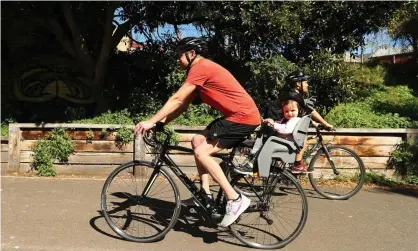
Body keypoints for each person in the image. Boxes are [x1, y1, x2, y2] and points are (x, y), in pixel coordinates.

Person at [134, 37, 261, 227]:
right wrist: (162, 123)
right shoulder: (201, 71)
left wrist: (151, 122)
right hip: (237, 115)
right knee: (197, 140)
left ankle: (235, 199)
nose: (178, 60)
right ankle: (205, 194)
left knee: (202, 152)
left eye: (180, 56)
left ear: (191, 53)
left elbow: (176, 99)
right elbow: (183, 105)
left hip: (243, 117)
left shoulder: (200, 68)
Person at [242, 70, 333, 174]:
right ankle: (251, 165)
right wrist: (326, 124)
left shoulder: (295, 96)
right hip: (274, 122)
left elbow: (303, 115)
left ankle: (284, 171)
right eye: (306, 82)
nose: (308, 84)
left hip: (278, 122)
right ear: (298, 83)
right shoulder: (294, 95)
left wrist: (314, 123)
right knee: (279, 145)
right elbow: (311, 111)